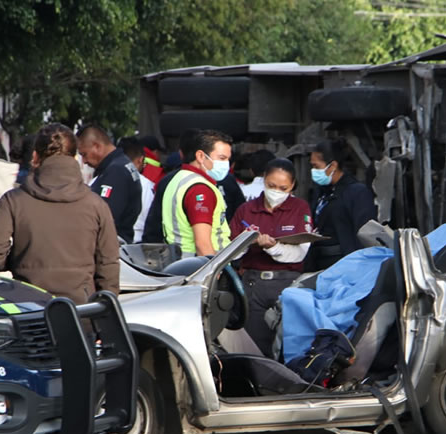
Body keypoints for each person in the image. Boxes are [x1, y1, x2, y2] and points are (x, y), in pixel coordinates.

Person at [0, 123, 118, 434]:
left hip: (29, 318)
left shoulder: (16, 200)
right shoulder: (95, 205)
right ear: (74, 157)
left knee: (35, 396)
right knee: (77, 398)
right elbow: (108, 269)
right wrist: (103, 319)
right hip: (80, 317)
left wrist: (14, 262)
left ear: (35, 158)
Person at [229, 158, 313, 357]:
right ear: (264, 180)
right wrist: (247, 241)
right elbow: (232, 251)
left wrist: (273, 247)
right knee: (254, 345)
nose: (276, 191)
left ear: (292, 185)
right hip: (253, 284)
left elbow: (299, 253)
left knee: (289, 344)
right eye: (271, 185)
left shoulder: (300, 208)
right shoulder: (246, 209)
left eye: (283, 187)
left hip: (288, 284)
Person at [161, 129, 233, 256]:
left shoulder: (179, 178)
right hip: (198, 268)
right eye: (221, 158)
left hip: (179, 262)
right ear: (200, 156)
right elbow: (202, 244)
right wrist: (212, 272)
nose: (226, 164)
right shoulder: (200, 189)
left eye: (228, 159)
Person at [308, 139, 377, 270]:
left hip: (346, 263)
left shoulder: (357, 193)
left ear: (332, 166)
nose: (313, 170)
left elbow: (365, 232)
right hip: (319, 261)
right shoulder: (321, 192)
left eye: (316, 166)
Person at [76, 124, 142, 242]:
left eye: (84, 154)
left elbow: (101, 218)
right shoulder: (121, 164)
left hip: (110, 246)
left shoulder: (116, 171)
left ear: (97, 146)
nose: (84, 161)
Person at [118, 136, 155, 243]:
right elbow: (150, 219)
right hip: (136, 244)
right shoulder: (147, 185)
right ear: (140, 160)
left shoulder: (100, 179)